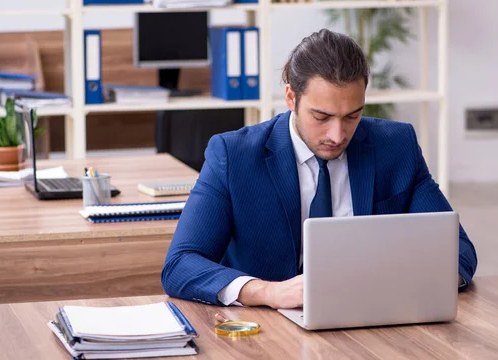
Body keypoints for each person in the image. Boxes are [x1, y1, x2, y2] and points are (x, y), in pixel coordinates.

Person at [161, 29, 477, 309]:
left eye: (352, 116)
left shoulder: (396, 146)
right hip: (269, 331)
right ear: (290, 98)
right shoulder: (234, 156)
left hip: (374, 319)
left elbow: (458, 249)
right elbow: (180, 265)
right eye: (322, 117)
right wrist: (269, 292)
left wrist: (417, 283)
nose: (337, 136)